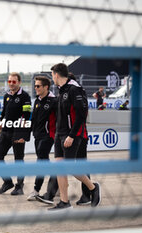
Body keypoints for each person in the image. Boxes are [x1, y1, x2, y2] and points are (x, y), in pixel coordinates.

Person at [49, 63, 101, 210]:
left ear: (56, 75)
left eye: (52, 74)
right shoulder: (62, 90)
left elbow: (81, 114)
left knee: (70, 166)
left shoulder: (74, 89)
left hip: (72, 134)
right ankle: (64, 202)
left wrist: (71, 135)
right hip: (60, 134)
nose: (52, 77)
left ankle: (93, 187)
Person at [35, 72, 92, 206]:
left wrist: (71, 135)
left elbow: (79, 116)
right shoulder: (66, 94)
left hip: (77, 136)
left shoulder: (74, 93)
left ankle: (89, 191)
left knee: (72, 165)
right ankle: (56, 195)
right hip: (69, 135)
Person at [0, 72, 31, 195]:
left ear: (19, 82)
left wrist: (23, 135)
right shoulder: (6, 96)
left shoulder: (25, 97)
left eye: (13, 81)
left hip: (17, 132)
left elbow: (26, 117)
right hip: (5, 132)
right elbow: (3, 115)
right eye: (9, 81)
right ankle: (7, 182)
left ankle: (19, 186)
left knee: (18, 159)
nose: (11, 84)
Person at [26, 76, 58, 202]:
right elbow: (33, 119)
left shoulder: (54, 101)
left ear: (46, 87)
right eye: (35, 86)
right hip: (37, 136)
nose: (36, 88)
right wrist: (26, 134)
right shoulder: (37, 101)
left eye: (38, 86)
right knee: (44, 161)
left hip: (48, 136)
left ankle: (36, 190)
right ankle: (57, 179)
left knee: (41, 161)